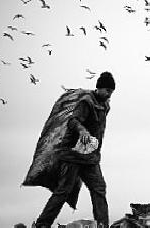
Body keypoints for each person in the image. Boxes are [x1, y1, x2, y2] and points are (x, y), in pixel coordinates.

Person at [34, 72, 116, 228]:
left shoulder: (105, 105)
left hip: (90, 157)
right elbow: (73, 121)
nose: (109, 94)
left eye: (111, 92)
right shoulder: (86, 103)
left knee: (99, 188)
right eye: (107, 90)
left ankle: (102, 225)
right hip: (72, 155)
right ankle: (42, 224)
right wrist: (83, 131)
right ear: (98, 88)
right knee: (63, 191)